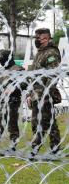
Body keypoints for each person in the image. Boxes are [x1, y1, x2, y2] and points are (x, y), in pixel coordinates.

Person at [28, 28, 62, 157]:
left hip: (45, 95)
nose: (36, 40)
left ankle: (36, 148)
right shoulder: (40, 53)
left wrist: (44, 94)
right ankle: (55, 148)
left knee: (40, 121)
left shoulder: (51, 53)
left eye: (38, 38)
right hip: (36, 94)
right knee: (49, 122)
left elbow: (53, 77)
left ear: (46, 39)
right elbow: (33, 76)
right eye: (35, 38)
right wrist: (30, 94)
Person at [0, 50, 25, 153]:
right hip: (2, 101)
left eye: (1, 58)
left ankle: (13, 146)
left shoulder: (18, 69)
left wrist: (13, 88)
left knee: (12, 124)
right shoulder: (1, 70)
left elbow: (24, 83)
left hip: (13, 101)